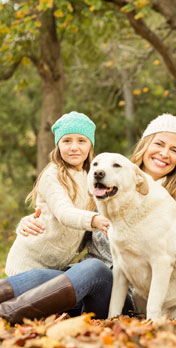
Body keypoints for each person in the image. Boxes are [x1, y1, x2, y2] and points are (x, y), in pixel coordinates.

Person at [0, 113, 176, 324]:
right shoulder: (106, 182)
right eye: (159, 144)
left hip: (121, 296)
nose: (164, 153)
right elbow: (72, 216)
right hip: (77, 283)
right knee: (51, 275)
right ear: (144, 145)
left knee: (95, 268)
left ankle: (5, 315)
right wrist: (30, 220)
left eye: (174, 150)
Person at [5, 111, 110, 277]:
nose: (74, 147)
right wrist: (94, 220)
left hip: (57, 267)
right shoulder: (52, 175)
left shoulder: (92, 177)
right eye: (66, 141)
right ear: (58, 145)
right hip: (29, 263)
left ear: (90, 145)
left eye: (81, 140)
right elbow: (64, 212)